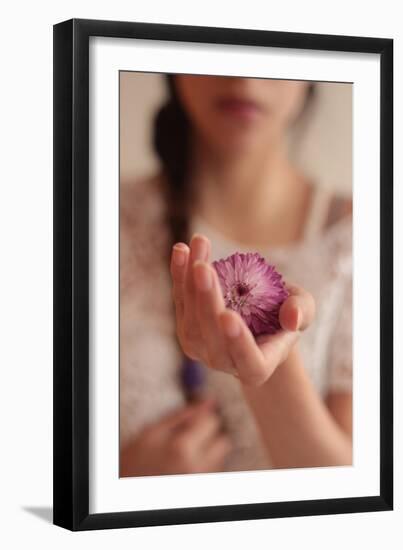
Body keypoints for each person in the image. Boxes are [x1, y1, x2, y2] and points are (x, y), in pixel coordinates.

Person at [119, 75, 353, 476]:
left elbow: (360, 500)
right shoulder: (86, 218)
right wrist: (119, 477)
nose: (243, 79)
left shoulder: (363, 238)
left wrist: (273, 364)